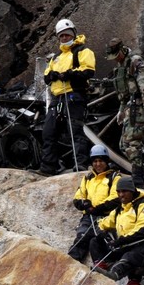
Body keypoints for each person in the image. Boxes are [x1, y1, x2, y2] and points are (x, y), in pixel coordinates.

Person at [38, 18, 96, 175]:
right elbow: (46, 76)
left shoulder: (83, 51)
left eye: (67, 35)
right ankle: (48, 166)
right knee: (49, 131)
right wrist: (53, 75)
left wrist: (69, 74)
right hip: (57, 99)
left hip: (73, 97)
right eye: (61, 36)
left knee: (75, 131)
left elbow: (88, 71)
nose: (64, 38)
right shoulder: (56, 57)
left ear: (73, 34)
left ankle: (80, 165)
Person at [89, 177, 144, 285]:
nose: (121, 194)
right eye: (119, 191)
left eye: (124, 191)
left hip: (140, 244)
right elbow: (104, 223)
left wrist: (122, 240)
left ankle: (121, 277)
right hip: (122, 244)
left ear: (132, 191)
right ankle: (102, 265)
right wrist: (101, 232)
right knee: (95, 241)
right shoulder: (120, 209)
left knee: (131, 256)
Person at [105, 38, 144, 188]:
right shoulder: (120, 66)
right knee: (123, 144)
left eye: (116, 55)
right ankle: (142, 174)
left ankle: (138, 178)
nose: (115, 59)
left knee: (133, 143)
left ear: (121, 50)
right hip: (129, 108)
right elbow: (124, 92)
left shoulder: (135, 61)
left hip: (139, 107)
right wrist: (121, 110)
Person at [68, 145, 121, 262]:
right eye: (95, 161)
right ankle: (72, 261)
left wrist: (97, 208)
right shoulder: (88, 178)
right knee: (82, 235)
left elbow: (116, 198)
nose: (98, 164)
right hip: (89, 216)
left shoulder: (114, 177)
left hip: (107, 216)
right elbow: (78, 196)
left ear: (106, 161)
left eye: (101, 160)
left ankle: (103, 263)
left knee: (100, 238)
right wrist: (84, 204)